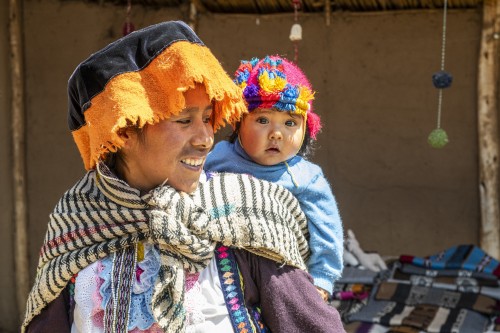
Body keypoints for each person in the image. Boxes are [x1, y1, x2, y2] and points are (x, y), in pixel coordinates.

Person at [22, 21, 345, 333]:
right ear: (124, 131)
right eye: (183, 120)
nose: (206, 138)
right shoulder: (77, 219)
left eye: (207, 118)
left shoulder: (251, 209)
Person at [204, 56, 344, 301]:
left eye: (290, 123)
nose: (276, 134)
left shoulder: (306, 177)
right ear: (238, 122)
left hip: (279, 275)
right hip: (220, 270)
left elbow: (326, 231)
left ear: (306, 130)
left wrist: (322, 279)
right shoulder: (217, 157)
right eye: (262, 120)